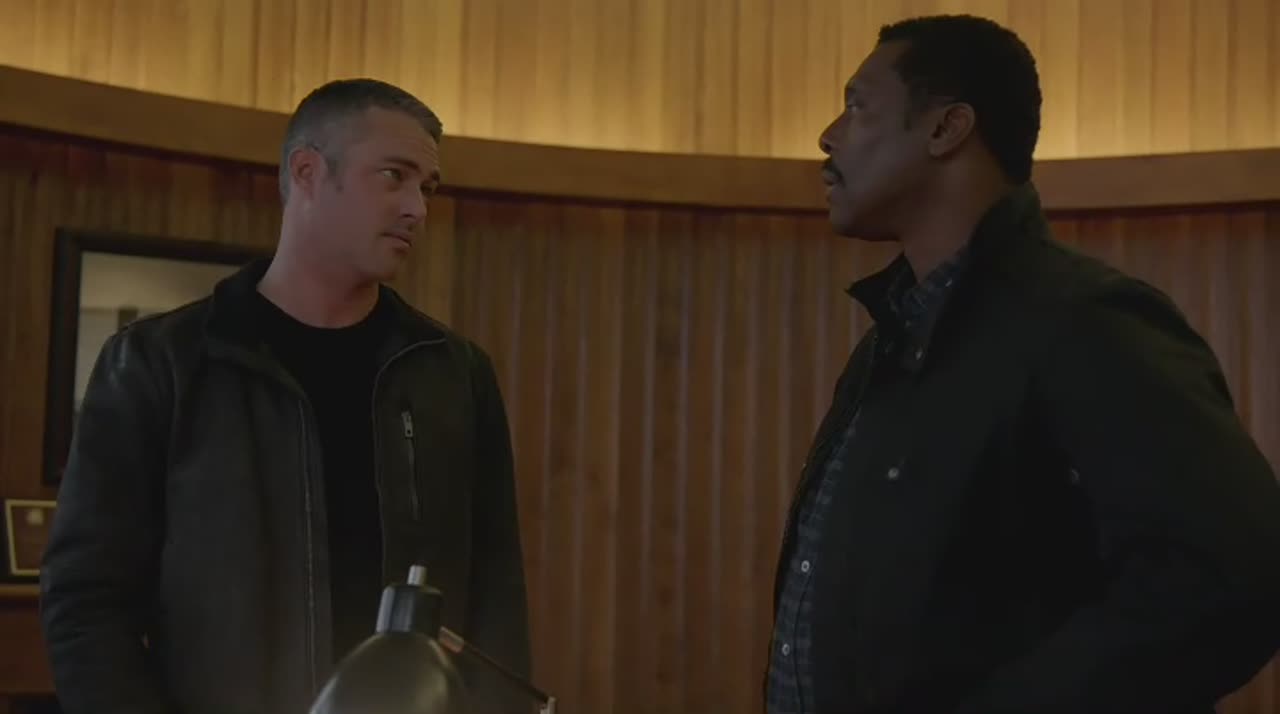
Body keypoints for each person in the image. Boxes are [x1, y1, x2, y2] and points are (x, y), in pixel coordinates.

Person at [766, 14, 1280, 714]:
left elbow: (1232, 575)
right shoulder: (888, 341)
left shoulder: (1086, 324)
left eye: (856, 106)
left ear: (947, 129)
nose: (828, 136)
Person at [41, 79, 530, 714]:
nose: (417, 208)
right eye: (394, 176)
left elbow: (496, 607)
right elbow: (86, 602)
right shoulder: (160, 364)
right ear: (307, 173)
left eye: (427, 187)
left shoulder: (455, 374)